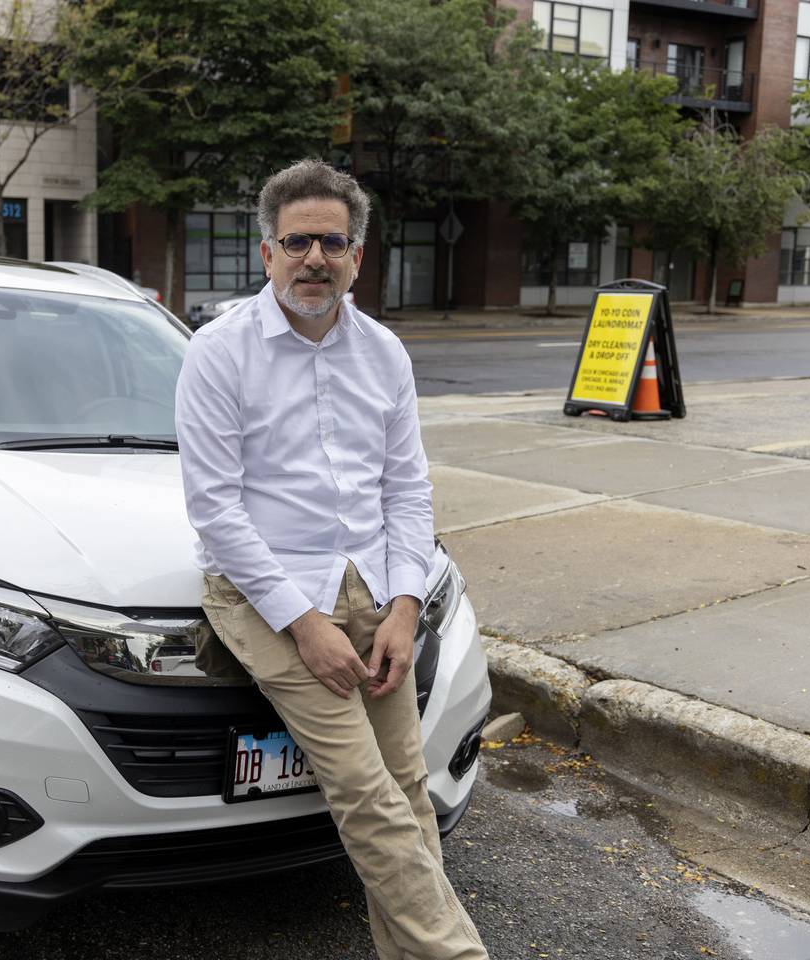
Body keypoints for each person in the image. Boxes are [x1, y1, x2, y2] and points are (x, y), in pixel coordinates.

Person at [174, 158, 489, 960]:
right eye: (298, 241)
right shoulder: (218, 353)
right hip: (265, 594)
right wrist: (306, 625)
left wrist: (406, 606)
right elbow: (215, 509)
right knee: (364, 791)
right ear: (267, 252)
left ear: (358, 255)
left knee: (408, 788)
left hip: (375, 591)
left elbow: (407, 493)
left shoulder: (384, 353)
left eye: (333, 242)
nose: (315, 258)